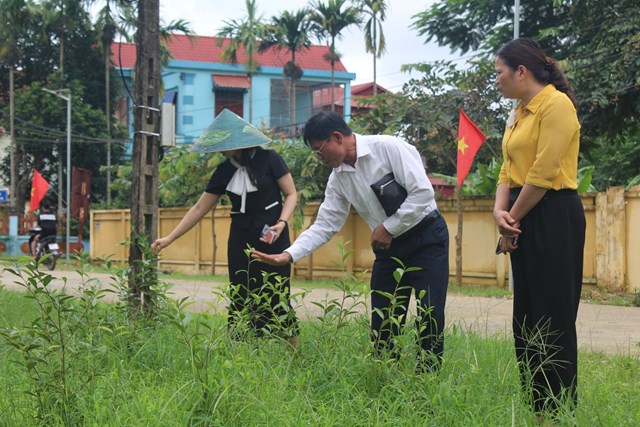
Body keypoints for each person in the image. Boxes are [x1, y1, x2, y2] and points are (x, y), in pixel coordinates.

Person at [252, 111, 449, 372]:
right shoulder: (338, 179)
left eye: (319, 151)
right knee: (383, 322)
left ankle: (428, 382)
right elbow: (325, 224)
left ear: (336, 137)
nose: (319, 159)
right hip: (389, 248)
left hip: (427, 239)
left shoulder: (389, 148)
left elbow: (423, 193)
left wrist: (388, 227)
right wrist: (288, 254)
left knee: (430, 315)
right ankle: (386, 378)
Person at [151, 109, 300, 346]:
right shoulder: (223, 171)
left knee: (277, 292)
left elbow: (291, 194)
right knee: (241, 292)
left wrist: (282, 222)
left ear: (237, 142)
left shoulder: (270, 159)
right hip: (240, 238)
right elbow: (199, 209)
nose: (219, 149)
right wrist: (170, 238)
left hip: (273, 237)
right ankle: (243, 350)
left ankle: (293, 353)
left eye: (223, 143)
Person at [493, 38, 585, 415]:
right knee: (526, 317)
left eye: (498, 72)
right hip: (522, 213)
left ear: (521, 71)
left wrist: (510, 218)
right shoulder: (519, 111)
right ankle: (538, 409)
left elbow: (544, 173)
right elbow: (506, 168)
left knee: (553, 315)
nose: (495, 79)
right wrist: (502, 214)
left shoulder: (556, 105)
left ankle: (559, 411)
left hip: (553, 214)